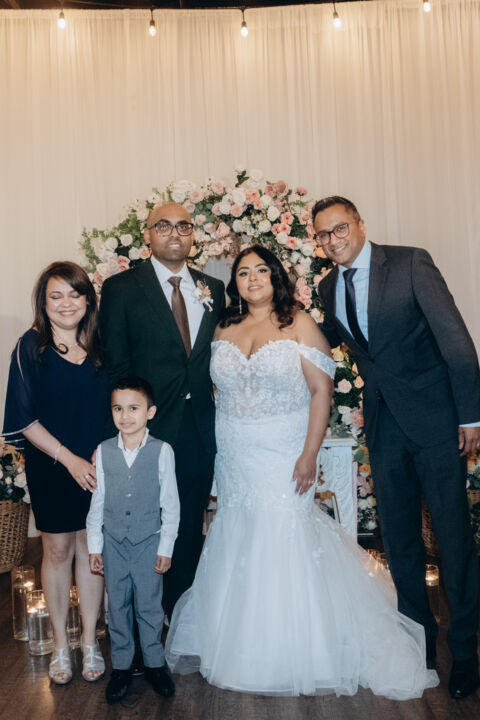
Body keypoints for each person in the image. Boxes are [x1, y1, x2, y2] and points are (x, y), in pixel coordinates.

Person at [165, 245, 439, 699]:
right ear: (234, 282)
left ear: (276, 277)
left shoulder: (300, 324)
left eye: (261, 270)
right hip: (235, 451)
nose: (252, 278)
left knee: (283, 530)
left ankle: (291, 646)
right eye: (243, 272)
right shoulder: (224, 326)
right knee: (238, 530)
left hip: (284, 449)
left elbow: (320, 392)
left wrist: (309, 453)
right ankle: (234, 641)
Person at [313, 196, 480, 700]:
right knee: (399, 539)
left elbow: (457, 342)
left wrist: (470, 416)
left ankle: (466, 651)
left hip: (437, 423)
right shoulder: (328, 287)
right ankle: (417, 640)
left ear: (360, 225)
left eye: (340, 228)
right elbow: (326, 342)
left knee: (452, 538)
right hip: (384, 428)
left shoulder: (410, 263)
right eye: (323, 234)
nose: (333, 240)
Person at [98, 202, 225, 621]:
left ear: (193, 235)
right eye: (163, 225)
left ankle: (181, 613)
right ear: (148, 235)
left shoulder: (213, 287)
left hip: (198, 427)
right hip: (147, 428)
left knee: (187, 523)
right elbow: (116, 366)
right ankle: (140, 620)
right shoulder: (121, 288)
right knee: (140, 526)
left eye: (183, 226)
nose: (175, 233)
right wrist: (127, 428)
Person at [2, 262, 109, 685]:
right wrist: (70, 459)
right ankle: (62, 646)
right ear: (43, 303)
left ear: (88, 300)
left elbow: (116, 404)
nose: (67, 304)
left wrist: (102, 452)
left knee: (91, 549)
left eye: (75, 294)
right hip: (52, 464)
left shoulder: (102, 344)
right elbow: (24, 419)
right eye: (56, 296)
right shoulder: (31, 347)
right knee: (59, 551)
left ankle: (89, 640)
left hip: (98, 465)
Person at [87, 376, 180, 704]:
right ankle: (122, 666)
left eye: (133, 408)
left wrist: (166, 547)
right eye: (118, 408)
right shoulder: (103, 451)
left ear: (150, 412)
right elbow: (97, 501)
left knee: (149, 607)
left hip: (148, 543)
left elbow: (171, 505)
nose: (125, 416)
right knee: (117, 606)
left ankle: (155, 663)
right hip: (113, 543)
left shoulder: (161, 451)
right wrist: (95, 546)